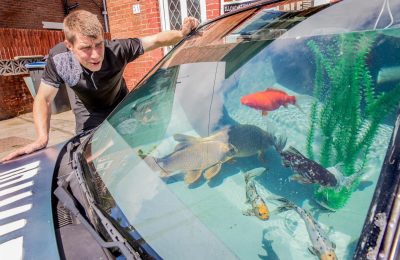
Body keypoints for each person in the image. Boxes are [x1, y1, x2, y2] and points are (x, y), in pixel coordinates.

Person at [1, 10, 199, 163]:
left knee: (131, 152)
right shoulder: (59, 59)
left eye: (98, 44)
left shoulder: (117, 50)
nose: (95, 55)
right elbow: (43, 98)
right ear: (69, 46)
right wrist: (41, 138)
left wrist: (181, 33)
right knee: (88, 158)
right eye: (86, 48)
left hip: (120, 106)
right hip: (88, 111)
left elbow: (155, 40)